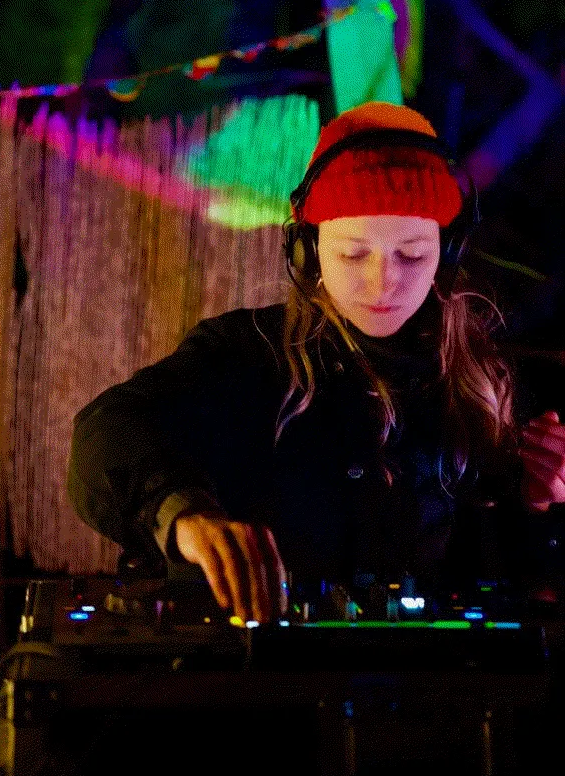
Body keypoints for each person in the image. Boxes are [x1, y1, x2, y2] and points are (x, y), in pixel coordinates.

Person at [67, 101, 565, 624]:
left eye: (412, 255)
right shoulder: (241, 353)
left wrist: (536, 500)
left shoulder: (485, 380)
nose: (383, 282)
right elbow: (105, 431)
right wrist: (184, 514)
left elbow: (502, 580)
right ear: (308, 248)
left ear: (448, 252)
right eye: (354, 254)